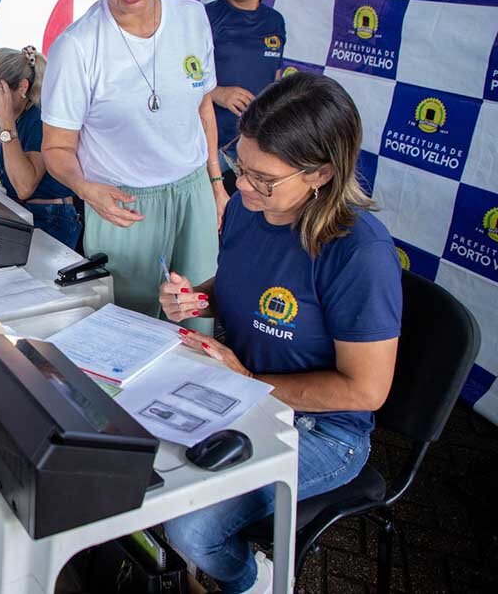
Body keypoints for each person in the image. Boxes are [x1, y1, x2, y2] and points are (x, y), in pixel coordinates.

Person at [158, 73, 401, 593]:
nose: (242, 186)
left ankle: (253, 582)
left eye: (263, 178)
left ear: (321, 175)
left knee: (190, 527)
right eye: (239, 166)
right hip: (239, 394)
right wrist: (196, 298)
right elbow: (236, 284)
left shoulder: (360, 254)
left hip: (323, 431)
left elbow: (366, 389)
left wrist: (247, 377)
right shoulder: (252, 209)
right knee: (141, 471)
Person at [42, 0, 227, 326]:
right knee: (128, 329)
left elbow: (203, 107)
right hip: (121, 204)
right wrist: (87, 189)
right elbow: (55, 148)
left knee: (199, 315)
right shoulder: (76, 47)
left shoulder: (192, 18)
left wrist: (215, 184)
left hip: (193, 190)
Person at [0, 46, 82, 248]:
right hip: (24, 214)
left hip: (50, 221)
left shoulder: (40, 119)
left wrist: (5, 124)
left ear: (22, 87)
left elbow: (24, 187)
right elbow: (22, 162)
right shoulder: (19, 118)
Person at [205, 0, 286, 194]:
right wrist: (218, 93)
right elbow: (177, 75)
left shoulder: (275, 21)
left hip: (256, 145)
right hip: (211, 146)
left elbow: (275, 76)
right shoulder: (207, 15)